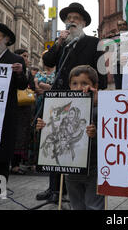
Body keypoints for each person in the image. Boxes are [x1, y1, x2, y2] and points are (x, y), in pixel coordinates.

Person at [37, 2, 106, 202]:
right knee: (56, 139)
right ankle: (54, 190)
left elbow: (101, 72)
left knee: (73, 140)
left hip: (82, 98)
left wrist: (96, 93)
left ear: (83, 22)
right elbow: (49, 62)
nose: (72, 21)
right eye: (69, 18)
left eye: (76, 18)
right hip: (60, 99)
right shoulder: (62, 44)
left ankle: (76, 186)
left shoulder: (94, 42)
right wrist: (58, 43)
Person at [36, 65, 105, 210]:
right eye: (75, 83)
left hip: (95, 167)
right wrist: (43, 127)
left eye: (84, 83)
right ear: (69, 86)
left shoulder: (102, 107)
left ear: (95, 86)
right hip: (71, 167)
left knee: (94, 205)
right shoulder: (63, 106)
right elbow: (54, 129)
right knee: (76, 204)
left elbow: (109, 136)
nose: (79, 87)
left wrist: (95, 132)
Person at [0, 23, 28, 191]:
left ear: (6, 40)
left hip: (6, 113)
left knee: (2, 152)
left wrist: (20, 73)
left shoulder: (16, 60)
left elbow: (23, 85)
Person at [11, 49, 35, 175]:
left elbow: (32, 86)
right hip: (13, 107)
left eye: (27, 56)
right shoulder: (11, 69)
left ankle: (16, 164)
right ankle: (11, 164)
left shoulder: (27, 72)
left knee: (21, 137)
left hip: (24, 110)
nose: (26, 58)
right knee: (13, 136)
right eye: (23, 56)